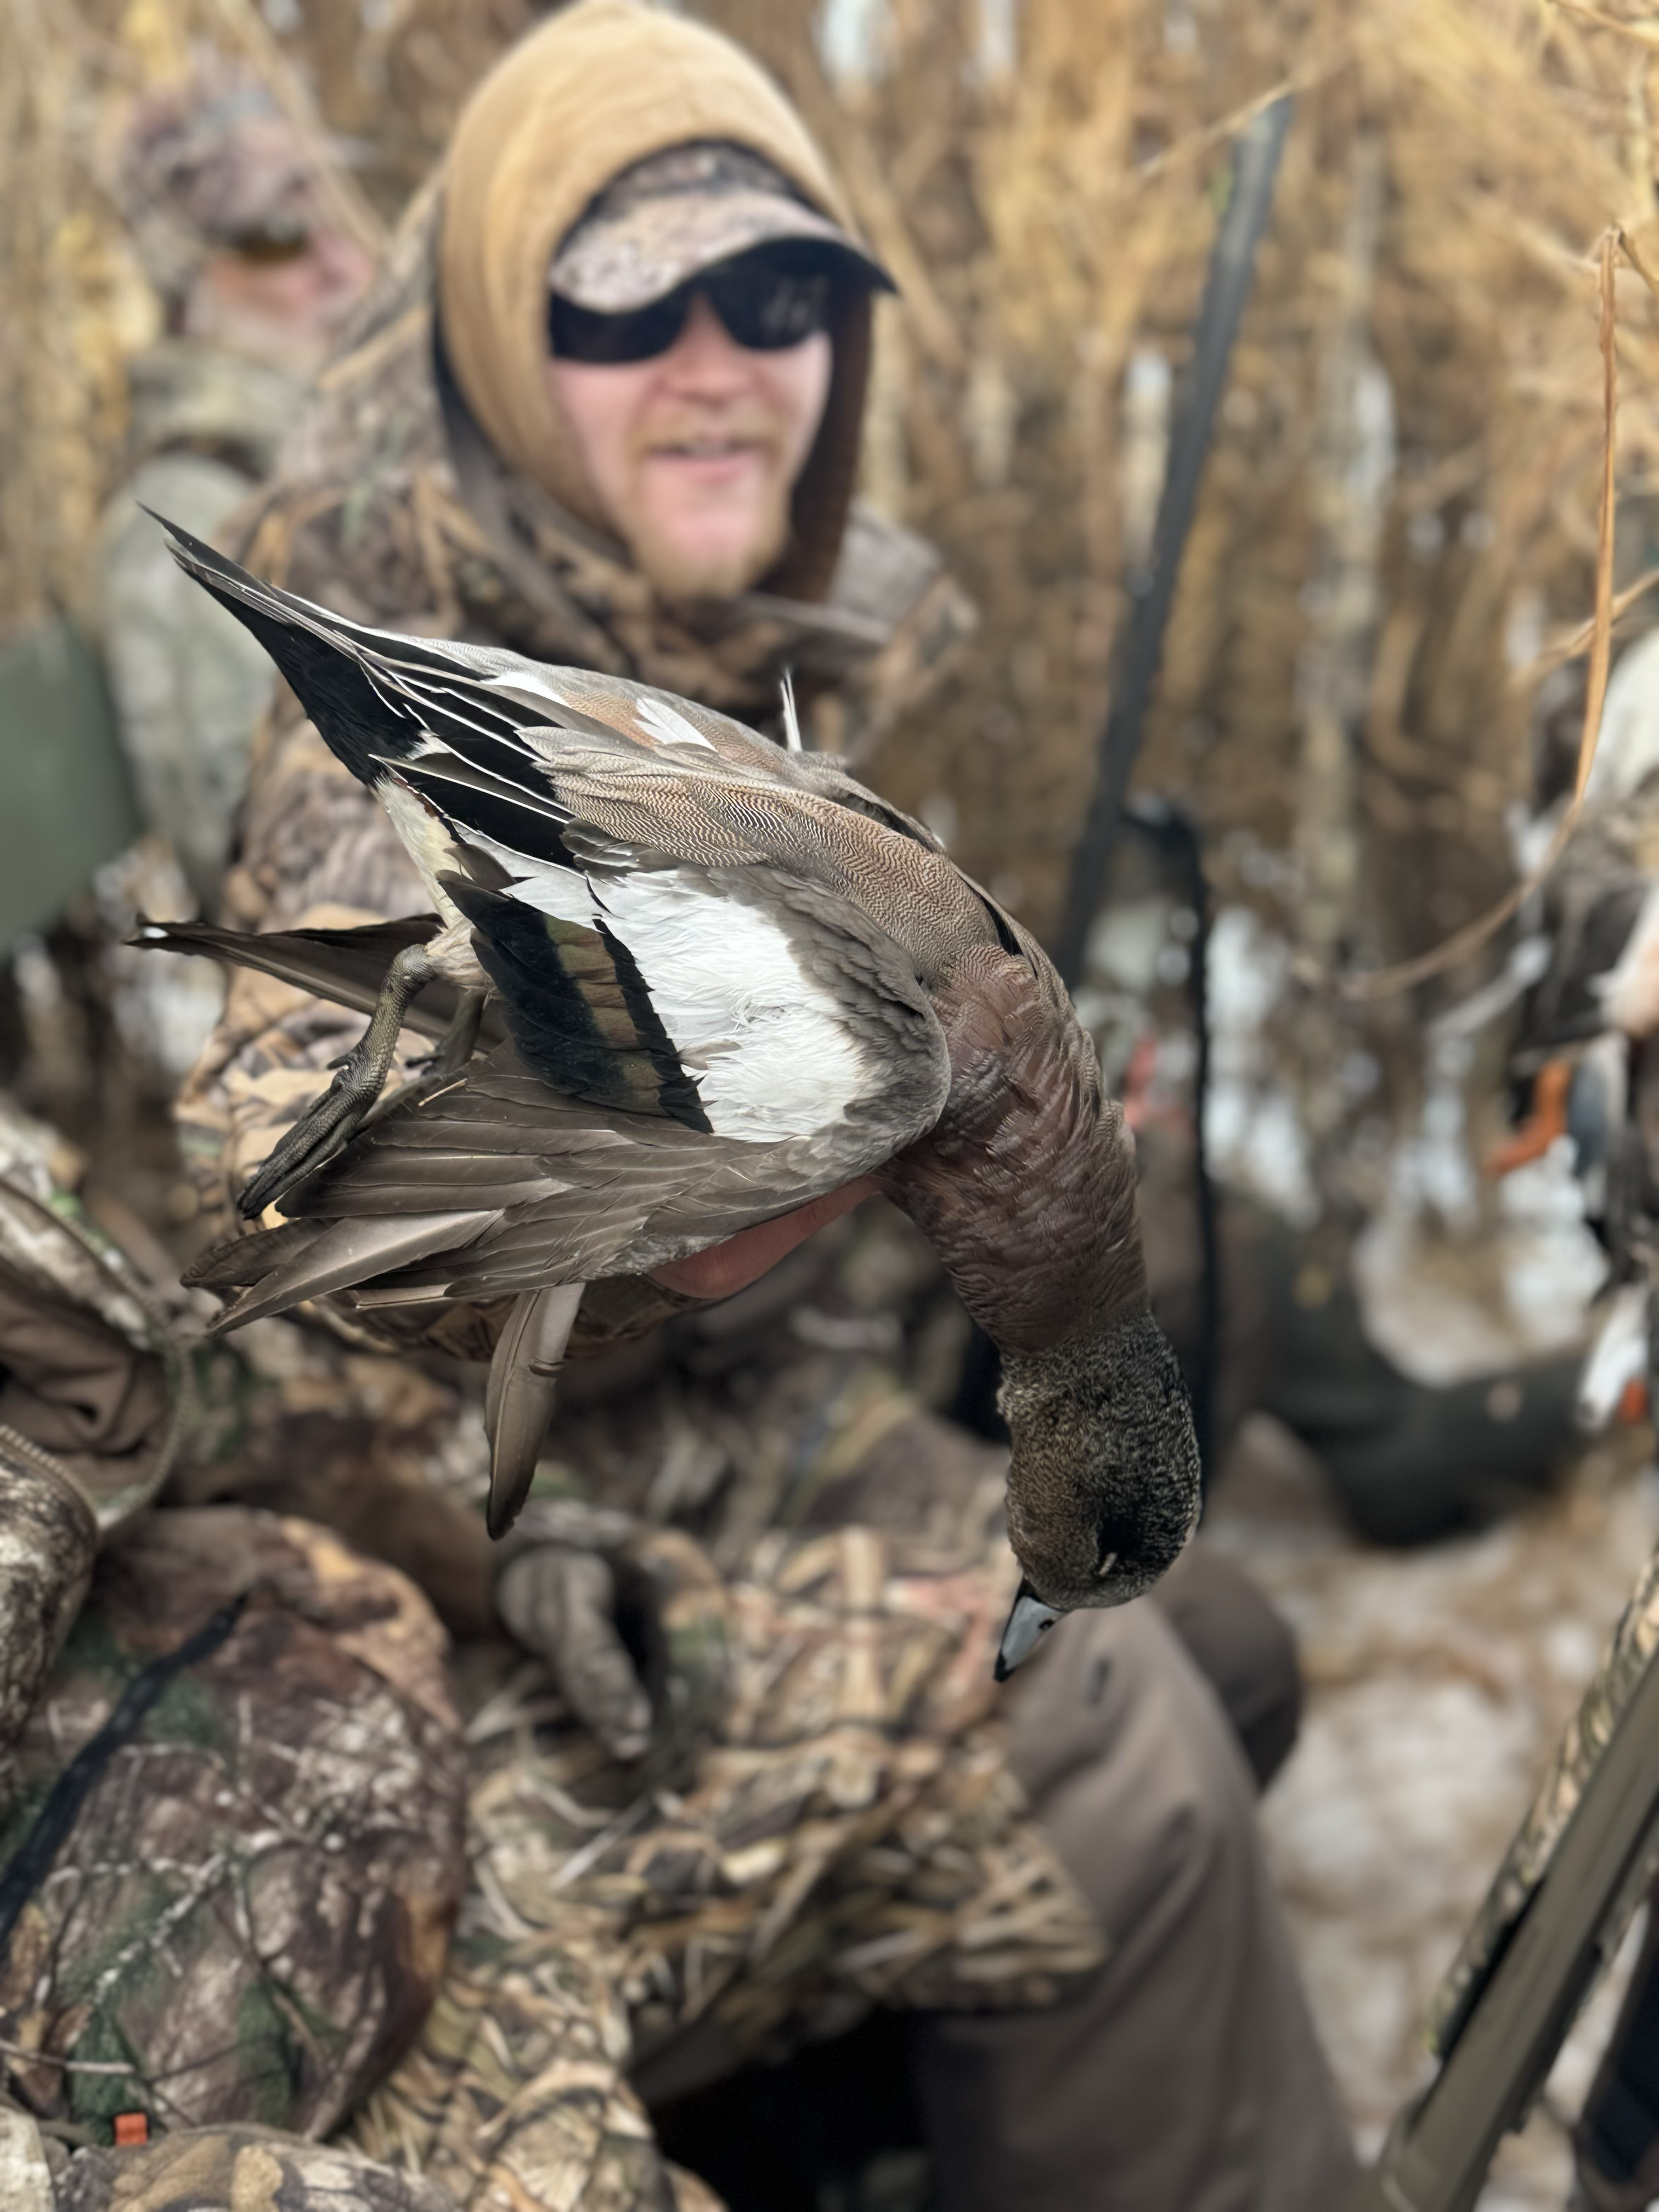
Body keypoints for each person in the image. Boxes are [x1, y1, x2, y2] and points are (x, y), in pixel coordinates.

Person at [149, 5, 1355, 2206]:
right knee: (1120, 1746)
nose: (724, 352)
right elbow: (286, 1173)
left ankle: (861, 2116)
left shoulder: (744, 608)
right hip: (479, 1557)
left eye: (785, 290)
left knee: (1220, 1643)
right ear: (511, 337)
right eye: (630, 296)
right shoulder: (420, 643)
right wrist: (576, 1250)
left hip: (743, 1446)